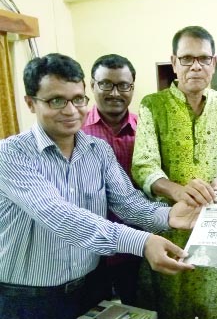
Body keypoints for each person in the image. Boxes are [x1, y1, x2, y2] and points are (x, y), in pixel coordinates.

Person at [0, 53, 203, 319]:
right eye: (56, 101)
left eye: (77, 99)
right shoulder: (10, 155)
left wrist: (168, 215)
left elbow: (128, 202)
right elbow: (59, 215)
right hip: (27, 300)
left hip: (91, 289)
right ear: (30, 103)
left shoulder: (98, 151)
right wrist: (141, 242)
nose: (71, 110)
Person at [131, 25, 217, 319]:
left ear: (213, 63)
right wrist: (176, 190)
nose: (195, 66)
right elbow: (144, 165)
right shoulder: (153, 104)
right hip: (169, 223)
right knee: (171, 303)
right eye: (187, 59)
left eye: (203, 59)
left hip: (216, 225)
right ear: (174, 63)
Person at [81, 54, 141, 305]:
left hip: (135, 243)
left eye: (123, 85)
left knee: (138, 306)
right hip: (88, 246)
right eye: (106, 84)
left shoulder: (145, 129)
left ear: (132, 87)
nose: (115, 93)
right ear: (92, 86)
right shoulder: (76, 129)